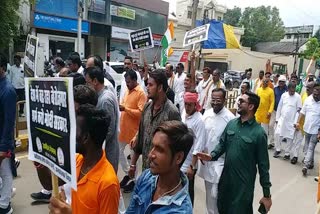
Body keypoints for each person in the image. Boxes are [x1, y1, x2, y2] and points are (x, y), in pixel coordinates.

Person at [197, 91, 272, 214]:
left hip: (243, 186)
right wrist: (212, 156)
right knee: (221, 208)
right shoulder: (232, 124)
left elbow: (264, 167)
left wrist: (267, 195)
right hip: (226, 181)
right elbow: (222, 144)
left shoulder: (259, 133)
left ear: (251, 106)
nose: (238, 102)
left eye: (242, 101)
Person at [30, 85, 97, 203]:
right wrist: (40, 160)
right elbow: (49, 183)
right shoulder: (69, 141)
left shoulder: (87, 146)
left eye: (73, 110)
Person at [48, 104, 120, 214]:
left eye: (74, 130)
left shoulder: (108, 184)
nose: (70, 134)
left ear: (85, 137)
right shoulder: (77, 160)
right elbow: (48, 183)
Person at [125, 69, 181, 193]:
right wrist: (133, 164)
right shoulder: (147, 107)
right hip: (146, 170)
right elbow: (140, 139)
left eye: (151, 85)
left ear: (160, 87)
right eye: (147, 84)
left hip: (162, 176)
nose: (147, 88)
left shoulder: (172, 112)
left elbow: (177, 146)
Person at [126, 121, 193, 213]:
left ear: (178, 158)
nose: (151, 155)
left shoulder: (180, 210)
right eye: (153, 147)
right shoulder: (147, 176)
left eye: (160, 150)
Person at [197, 88, 235, 214]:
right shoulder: (206, 114)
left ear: (224, 100)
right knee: (209, 194)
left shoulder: (230, 118)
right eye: (213, 99)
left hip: (222, 162)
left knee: (217, 194)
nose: (215, 102)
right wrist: (201, 152)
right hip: (207, 161)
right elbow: (201, 136)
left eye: (218, 100)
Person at [85, 66, 119, 173]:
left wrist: (95, 145)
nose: (87, 86)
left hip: (107, 151)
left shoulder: (105, 100)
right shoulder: (101, 95)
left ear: (95, 81)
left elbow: (109, 130)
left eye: (88, 82)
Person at [118, 70, 147, 188]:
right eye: (126, 82)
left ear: (135, 80)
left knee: (135, 157)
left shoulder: (141, 93)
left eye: (128, 82)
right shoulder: (127, 91)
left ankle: (136, 180)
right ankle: (128, 174)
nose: (127, 84)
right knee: (118, 152)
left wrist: (125, 109)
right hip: (123, 129)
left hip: (134, 132)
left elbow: (141, 113)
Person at [181, 92, 206, 206]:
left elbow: (199, 145)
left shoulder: (199, 120)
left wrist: (192, 166)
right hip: (180, 159)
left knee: (188, 191)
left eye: (190, 105)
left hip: (190, 163)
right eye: (185, 104)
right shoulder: (183, 113)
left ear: (195, 105)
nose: (187, 107)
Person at [0, 53, 16, 213]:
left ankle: (5, 206)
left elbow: (9, 122)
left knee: (5, 172)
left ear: (3, 68)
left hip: (3, 141)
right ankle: (7, 193)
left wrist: (4, 147)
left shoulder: (8, 90)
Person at [296, 83, 320, 176]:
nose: (315, 96)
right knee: (307, 146)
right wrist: (298, 122)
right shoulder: (308, 100)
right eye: (314, 94)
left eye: (317, 94)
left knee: (310, 147)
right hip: (306, 128)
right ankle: (311, 162)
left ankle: (305, 165)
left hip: (316, 130)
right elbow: (302, 112)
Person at [273, 83, 302, 160]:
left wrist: (296, 122)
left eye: (293, 91)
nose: (292, 92)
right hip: (282, 119)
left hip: (291, 121)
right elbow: (279, 107)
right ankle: (278, 149)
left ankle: (287, 153)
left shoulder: (298, 97)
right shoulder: (284, 95)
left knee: (290, 138)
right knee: (277, 134)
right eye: (291, 91)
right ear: (288, 89)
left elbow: (298, 111)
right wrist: (277, 119)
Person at [268, 75, 287, 149]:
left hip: (282, 112)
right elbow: (272, 99)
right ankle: (271, 142)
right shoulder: (275, 89)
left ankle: (278, 145)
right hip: (274, 110)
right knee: (271, 125)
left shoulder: (287, 90)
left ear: (285, 82)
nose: (281, 83)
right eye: (280, 81)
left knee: (279, 129)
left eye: (283, 82)